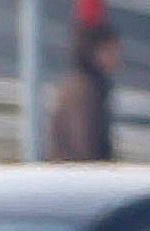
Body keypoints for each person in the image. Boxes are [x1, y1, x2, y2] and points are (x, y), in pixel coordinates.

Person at [47, 17, 121, 163]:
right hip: (77, 177)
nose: (117, 56)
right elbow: (85, 145)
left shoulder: (87, 85)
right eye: (111, 50)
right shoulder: (84, 90)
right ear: (95, 52)